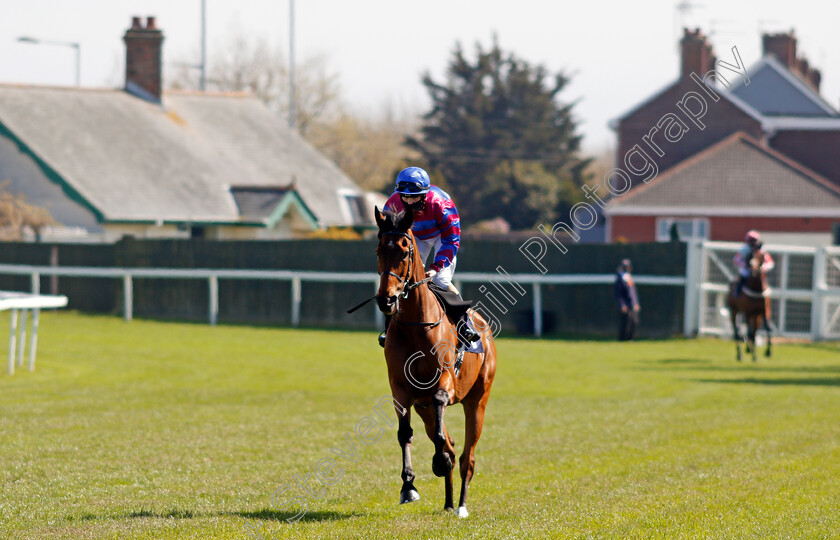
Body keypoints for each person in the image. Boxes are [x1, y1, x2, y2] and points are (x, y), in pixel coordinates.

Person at [378, 166, 477, 347]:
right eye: (404, 196)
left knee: (440, 280)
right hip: (414, 236)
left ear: (424, 194)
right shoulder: (392, 204)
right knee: (404, 280)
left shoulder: (441, 204)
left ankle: (465, 325)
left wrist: (435, 267)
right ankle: (389, 329)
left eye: (413, 196)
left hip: (442, 236)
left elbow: (451, 240)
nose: (408, 201)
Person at [733, 230, 775, 297]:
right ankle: (736, 293)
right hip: (747, 269)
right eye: (751, 241)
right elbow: (736, 260)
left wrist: (764, 267)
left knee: (763, 278)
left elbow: (770, 262)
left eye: (755, 240)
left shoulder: (762, 250)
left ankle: (767, 294)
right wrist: (745, 264)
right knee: (743, 275)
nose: (754, 243)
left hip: (759, 270)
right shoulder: (744, 249)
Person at [614, 258, 640, 341]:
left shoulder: (628, 277)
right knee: (625, 323)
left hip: (632, 304)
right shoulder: (620, 278)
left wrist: (635, 303)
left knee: (634, 322)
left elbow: (632, 292)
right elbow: (618, 293)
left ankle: (630, 338)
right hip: (625, 305)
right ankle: (623, 339)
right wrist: (622, 304)